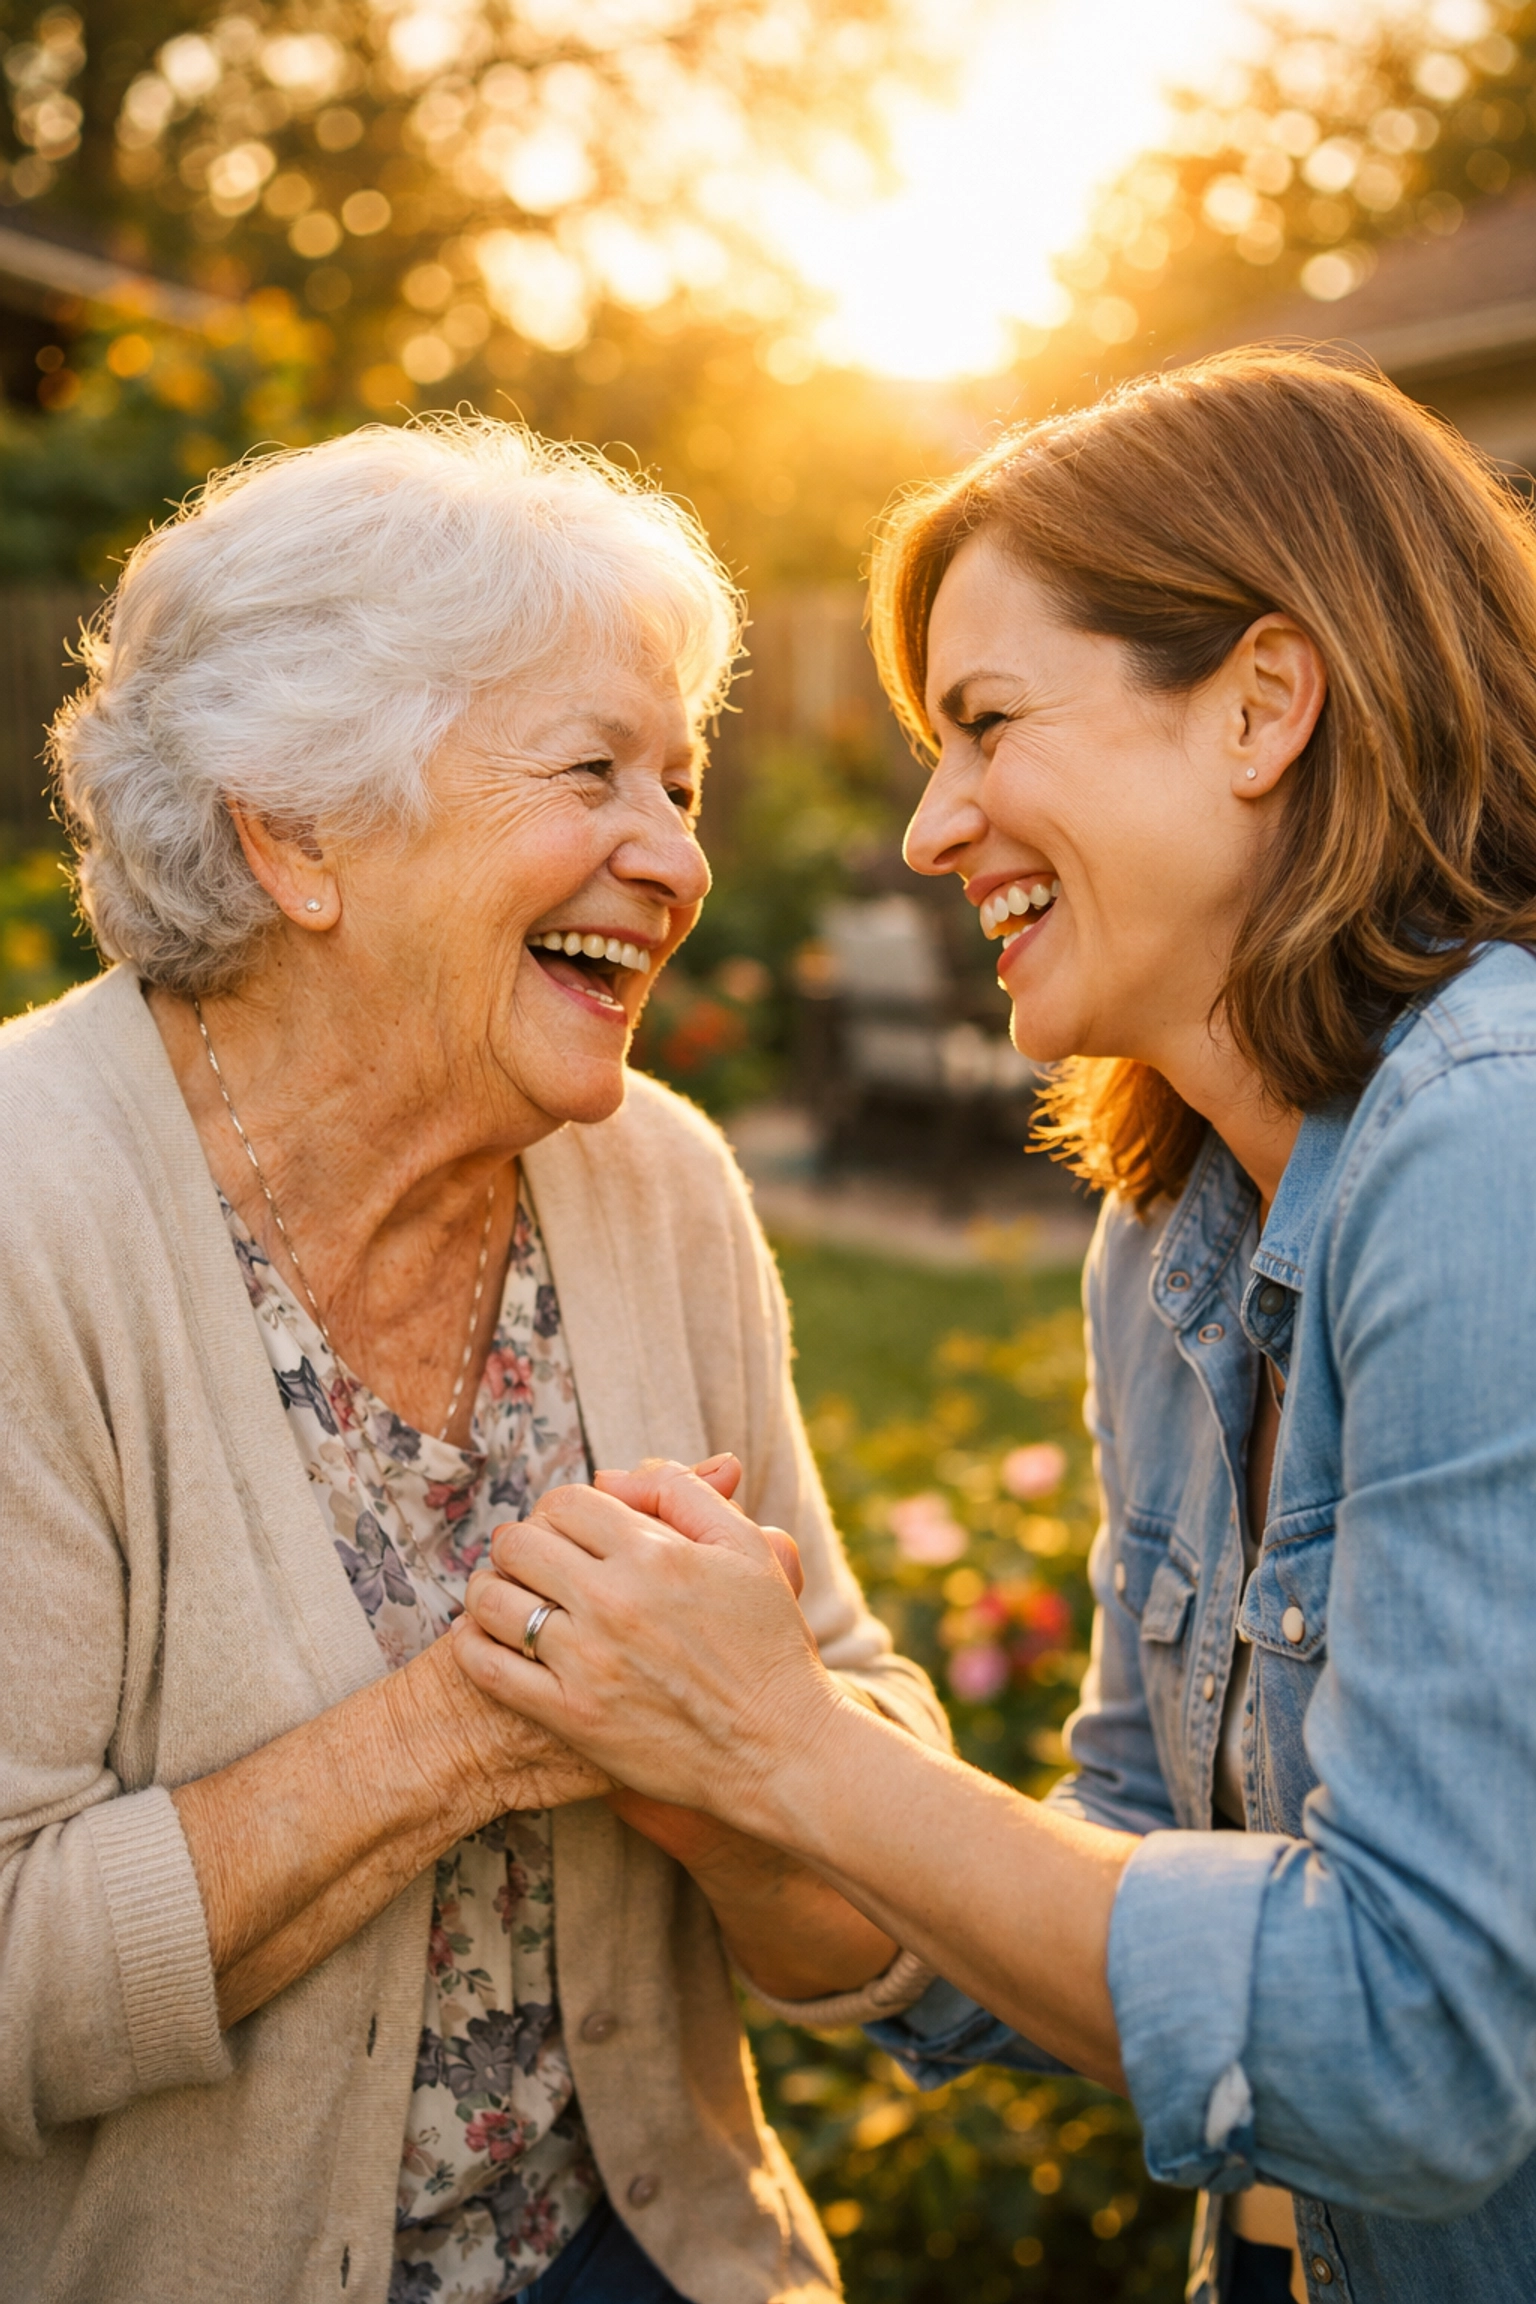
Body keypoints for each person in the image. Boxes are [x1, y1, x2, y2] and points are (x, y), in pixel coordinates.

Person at [456, 352, 1536, 2304]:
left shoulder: (1492, 1159)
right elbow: (1128, 1843)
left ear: (1266, 704)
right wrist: (723, 1802)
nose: (931, 828)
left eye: (987, 723)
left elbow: (1419, 2055)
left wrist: (798, 1748)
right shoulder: (1180, 1223)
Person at [0, 417, 948, 2304]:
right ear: (299, 837)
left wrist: (739, 1775)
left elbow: (871, 1917)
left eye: (680, 784)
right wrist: (475, 1719)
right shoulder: (31, 1221)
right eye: (596, 770)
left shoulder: (657, 1183)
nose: (676, 857)